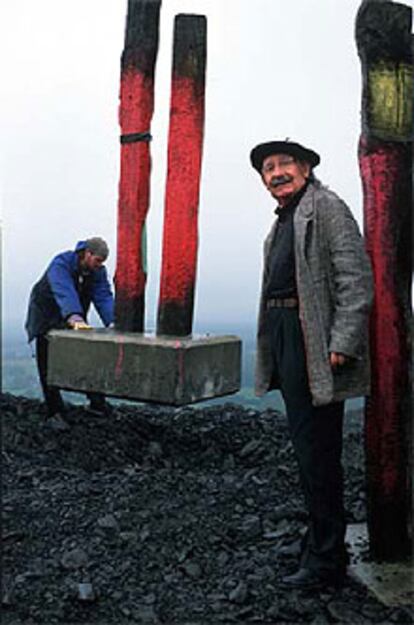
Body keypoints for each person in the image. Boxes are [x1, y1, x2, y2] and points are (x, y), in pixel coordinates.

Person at [250, 139, 373, 589]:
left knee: (318, 452)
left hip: (315, 341)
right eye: (268, 168)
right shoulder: (286, 217)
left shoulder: (327, 206)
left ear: (305, 168)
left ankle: (326, 561)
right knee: (307, 450)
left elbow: (355, 277)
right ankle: (318, 540)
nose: (276, 172)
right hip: (287, 333)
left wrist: (343, 341)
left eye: (284, 164)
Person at [25, 237, 115, 424]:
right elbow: (63, 290)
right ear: (87, 254)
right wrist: (74, 316)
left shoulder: (97, 271)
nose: (100, 265)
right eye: (98, 260)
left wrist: (113, 322)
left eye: (102, 262)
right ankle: (55, 411)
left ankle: (97, 404)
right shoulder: (61, 263)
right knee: (47, 361)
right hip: (46, 316)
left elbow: (103, 295)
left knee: (87, 356)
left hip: (74, 317)